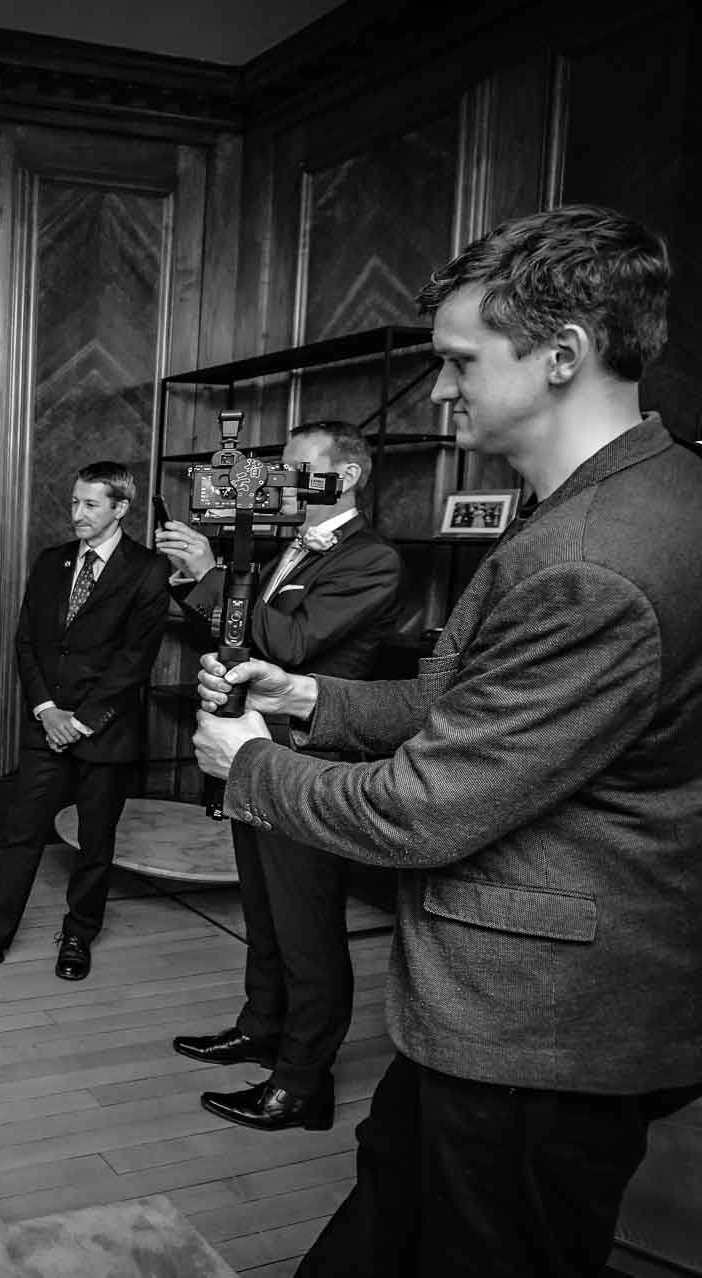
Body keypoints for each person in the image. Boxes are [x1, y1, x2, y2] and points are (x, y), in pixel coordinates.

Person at [193, 204, 702, 1277]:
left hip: (538, 1025)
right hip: (506, 1016)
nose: (439, 389)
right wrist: (305, 699)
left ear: (561, 355)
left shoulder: (595, 557)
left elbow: (420, 807)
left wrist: (250, 762)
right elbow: (458, 700)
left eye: (458, 360)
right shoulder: (620, 500)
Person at [157, 420, 401, 1133]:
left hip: (308, 761)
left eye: (297, 468)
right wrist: (201, 580)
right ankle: (260, 1026)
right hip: (252, 749)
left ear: (344, 476)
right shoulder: (289, 546)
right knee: (261, 912)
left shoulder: (371, 560)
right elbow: (239, 637)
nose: (281, 479)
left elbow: (291, 643)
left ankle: (302, 1083)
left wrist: (211, 573)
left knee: (307, 928)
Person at [0, 461, 169, 979]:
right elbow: (26, 641)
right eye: (74, 503)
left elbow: (134, 662)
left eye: (90, 505)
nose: (76, 514)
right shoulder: (51, 561)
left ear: (121, 508)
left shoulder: (147, 570)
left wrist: (81, 721)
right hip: (46, 725)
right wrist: (47, 711)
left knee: (95, 843)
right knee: (20, 832)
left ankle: (79, 936)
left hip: (105, 731)